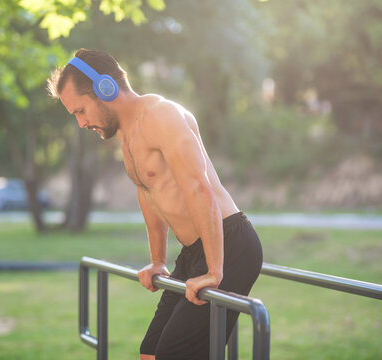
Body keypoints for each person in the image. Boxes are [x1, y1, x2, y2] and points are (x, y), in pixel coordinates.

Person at [48, 48, 263, 360]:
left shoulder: (160, 115)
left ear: (104, 88)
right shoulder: (128, 135)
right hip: (194, 253)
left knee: (173, 354)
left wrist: (215, 271)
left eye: (80, 111)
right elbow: (148, 194)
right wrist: (158, 260)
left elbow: (198, 187)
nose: (81, 123)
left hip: (229, 246)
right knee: (150, 353)